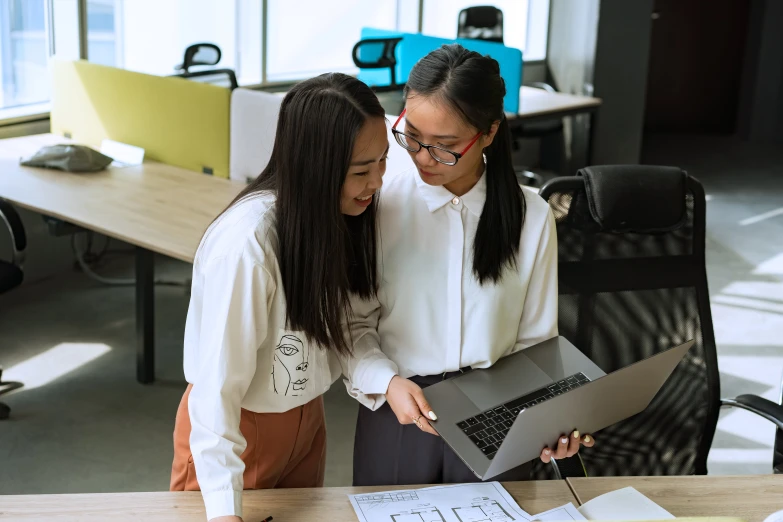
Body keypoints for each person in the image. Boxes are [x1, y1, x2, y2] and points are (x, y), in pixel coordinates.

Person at [344, 44, 595, 486]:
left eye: (445, 147)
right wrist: (385, 382)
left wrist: (553, 417)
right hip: (401, 408)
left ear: (490, 133)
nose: (422, 157)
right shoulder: (378, 204)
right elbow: (352, 325)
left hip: (499, 416)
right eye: (413, 135)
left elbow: (537, 345)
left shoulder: (530, 215)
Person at [169, 72, 389, 522]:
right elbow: (216, 388)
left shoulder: (339, 216)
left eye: (383, 162)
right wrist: (224, 510)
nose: (378, 181)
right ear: (317, 167)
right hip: (238, 426)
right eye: (362, 170)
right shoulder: (247, 245)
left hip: (307, 417)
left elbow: (349, 321)